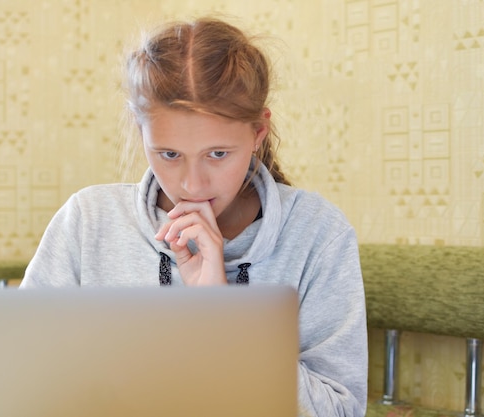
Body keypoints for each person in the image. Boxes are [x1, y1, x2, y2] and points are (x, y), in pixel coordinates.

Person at [20, 16, 367, 417]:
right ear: (141, 132)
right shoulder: (87, 221)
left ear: (258, 134)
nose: (193, 184)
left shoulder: (318, 234)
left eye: (218, 154)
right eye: (169, 155)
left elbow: (341, 411)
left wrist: (222, 317)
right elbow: (23, 381)